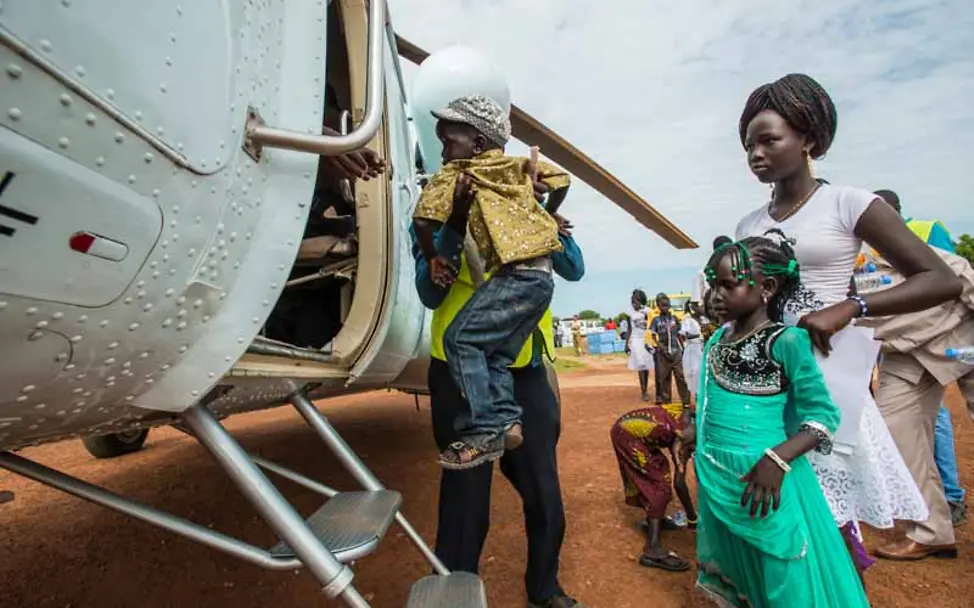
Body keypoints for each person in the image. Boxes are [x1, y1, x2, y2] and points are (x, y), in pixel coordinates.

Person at [734, 73, 961, 571]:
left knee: (832, 519)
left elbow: (940, 279)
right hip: (774, 384)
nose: (756, 153)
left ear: (809, 139)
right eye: (749, 144)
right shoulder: (748, 225)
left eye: (769, 140)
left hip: (830, 382)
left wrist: (852, 308)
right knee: (783, 504)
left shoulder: (850, 204)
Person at [410, 177, 585, 608]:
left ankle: (544, 590)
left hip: (524, 373)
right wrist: (454, 220)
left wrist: (542, 216)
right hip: (461, 378)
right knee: (465, 504)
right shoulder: (440, 216)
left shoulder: (529, 216)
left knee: (545, 494)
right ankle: (454, 595)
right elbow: (430, 292)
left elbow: (574, 269)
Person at [689, 235, 869, 607]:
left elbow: (822, 415)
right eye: (712, 285)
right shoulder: (716, 341)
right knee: (743, 563)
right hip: (722, 475)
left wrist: (779, 458)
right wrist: (695, 430)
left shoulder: (786, 341)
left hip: (767, 479)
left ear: (768, 287)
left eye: (728, 284)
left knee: (782, 568)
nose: (715, 295)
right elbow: (712, 402)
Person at [411, 94, 571, 470]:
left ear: (477, 144)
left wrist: (434, 255)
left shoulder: (456, 173)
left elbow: (421, 221)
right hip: (541, 280)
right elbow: (562, 180)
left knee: (459, 340)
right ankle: (507, 422)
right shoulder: (514, 167)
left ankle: (485, 429)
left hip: (514, 276)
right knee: (494, 355)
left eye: (449, 142)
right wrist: (547, 214)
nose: (445, 151)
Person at [856, 235, 974, 561]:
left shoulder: (870, 250)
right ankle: (932, 532)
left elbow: (955, 268)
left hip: (962, 333)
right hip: (906, 350)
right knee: (893, 433)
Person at [874, 188, 969, 527]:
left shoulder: (927, 230)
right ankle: (931, 525)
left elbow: (957, 275)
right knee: (900, 426)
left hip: (957, 337)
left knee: (939, 422)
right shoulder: (869, 248)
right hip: (908, 346)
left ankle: (953, 496)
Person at [610, 405, 696, 572]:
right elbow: (680, 483)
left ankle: (656, 519)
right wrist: (692, 518)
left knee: (658, 468)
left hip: (629, 429)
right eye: (692, 449)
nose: (693, 452)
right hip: (627, 436)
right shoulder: (683, 437)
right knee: (660, 485)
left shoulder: (689, 418)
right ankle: (652, 549)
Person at [648, 294, 691, 407]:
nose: (665, 308)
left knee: (680, 376)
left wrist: (684, 349)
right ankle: (667, 402)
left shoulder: (674, 319)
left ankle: (686, 401)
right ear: (658, 306)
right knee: (664, 378)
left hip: (676, 351)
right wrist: (661, 348)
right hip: (663, 353)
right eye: (662, 306)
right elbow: (653, 336)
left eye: (667, 305)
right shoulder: (656, 320)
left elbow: (679, 335)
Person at [626, 290, 655, 401]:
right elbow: (629, 328)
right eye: (632, 301)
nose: (633, 304)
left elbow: (652, 326)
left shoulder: (648, 311)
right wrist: (626, 344)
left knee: (646, 365)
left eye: (635, 301)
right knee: (640, 365)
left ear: (641, 301)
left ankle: (646, 387)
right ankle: (644, 391)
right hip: (635, 340)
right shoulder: (630, 313)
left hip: (646, 340)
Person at [680, 302, 704, 401]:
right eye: (699, 305)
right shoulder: (688, 320)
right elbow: (685, 335)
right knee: (693, 373)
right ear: (693, 307)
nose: (702, 307)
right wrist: (700, 334)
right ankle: (693, 400)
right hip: (693, 349)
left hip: (702, 348)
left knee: (701, 373)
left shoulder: (704, 319)